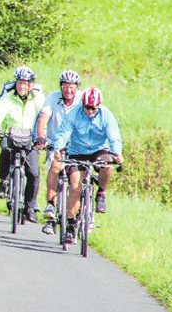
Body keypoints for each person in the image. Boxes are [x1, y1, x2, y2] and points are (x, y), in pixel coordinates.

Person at [52, 86, 124, 245]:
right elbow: (63, 133)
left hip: (98, 149)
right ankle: (70, 226)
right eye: (87, 107)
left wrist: (117, 153)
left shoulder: (106, 115)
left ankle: (101, 193)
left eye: (93, 108)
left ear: (98, 106)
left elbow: (114, 136)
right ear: (82, 104)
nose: (90, 111)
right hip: (77, 150)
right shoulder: (74, 114)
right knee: (75, 185)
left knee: (107, 165)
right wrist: (58, 149)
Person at [0, 65, 47, 223]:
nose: (21, 86)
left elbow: (44, 115)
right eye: (19, 82)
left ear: (31, 85)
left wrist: (42, 135)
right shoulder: (8, 95)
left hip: (30, 137)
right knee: (6, 149)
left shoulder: (38, 97)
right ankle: (4, 181)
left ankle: (29, 206)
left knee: (33, 173)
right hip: (11, 133)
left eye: (25, 83)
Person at [34, 70, 84, 233]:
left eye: (71, 87)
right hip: (56, 145)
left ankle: (75, 216)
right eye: (65, 86)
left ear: (77, 87)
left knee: (77, 180)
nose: (68, 90)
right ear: (60, 86)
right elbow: (43, 119)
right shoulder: (52, 98)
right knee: (55, 167)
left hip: (76, 145)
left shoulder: (82, 99)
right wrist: (41, 138)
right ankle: (51, 206)